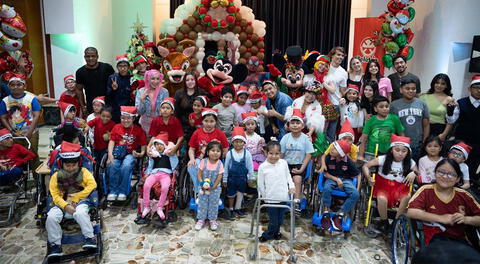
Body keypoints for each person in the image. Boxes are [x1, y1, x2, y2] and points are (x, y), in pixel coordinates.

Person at [407, 158, 480, 245]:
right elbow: (412, 211)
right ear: (435, 173)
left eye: (451, 174)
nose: (445, 176)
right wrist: (442, 218)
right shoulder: (426, 190)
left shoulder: (464, 195)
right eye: (441, 172)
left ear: (458, 179)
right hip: (433, 239)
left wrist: (466, 219)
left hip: (459, 240)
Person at [46, 141, 98, 257]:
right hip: (62, 202)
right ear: (61, 164)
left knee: (80, 213)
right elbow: (54, 195)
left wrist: (76, 197)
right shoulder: (56, 176)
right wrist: (65, 205)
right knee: (51, 217)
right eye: (67, 166)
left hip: (81, 200)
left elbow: (92, 185)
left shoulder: (84, 172)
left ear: (78, 163)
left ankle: (90, 238)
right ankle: (55, 245)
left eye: (74, 165)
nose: (71, 168)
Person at [362, 134, 418, 232]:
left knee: (407, 197)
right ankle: (384, 222)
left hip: (400, 187)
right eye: (397, 150)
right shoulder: (383, 159)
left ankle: (396, 222)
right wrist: (368, 177)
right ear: (392, 150)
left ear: (408, 152)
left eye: (404, 151)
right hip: (383, 185)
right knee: (381, 198)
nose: (400, 153)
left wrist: (414, 173)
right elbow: (365, 166)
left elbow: (418, 173)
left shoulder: (410, 162)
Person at [0, 73, 41, 169]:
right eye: (12, 85)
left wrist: (29, 132)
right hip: (14, 135)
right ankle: (21, 176)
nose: (15, 87)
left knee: (32, 153)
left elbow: (36, 115)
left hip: (31, 132)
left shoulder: (31, 99)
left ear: (24, 86)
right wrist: (12, 132)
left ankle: (37, 176)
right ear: (9, 86)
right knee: (16, 155)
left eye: (19, 84)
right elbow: (3, 117)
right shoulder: (5, 101)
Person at [257, 140, 295, 242]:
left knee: (280, 219)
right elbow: (260, 184)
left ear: (280, 153)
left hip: (283, 196)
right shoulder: (263, 167)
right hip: (271, 198)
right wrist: (265, 197)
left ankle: (276, 232)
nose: (274, 156)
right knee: (273, 220)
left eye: (277, 153)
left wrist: (291, 186)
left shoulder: (283, 163)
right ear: (266, 153)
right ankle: (267, 234)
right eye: (271, 153)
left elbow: (288, 176)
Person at [106, 106, 146, 201]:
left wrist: (140, 154)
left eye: (128, 118)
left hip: (131, 154)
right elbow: (111, 141)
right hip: (117, 153)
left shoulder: (138, 130)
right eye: (123, 118)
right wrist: (110, 154)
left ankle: (123, 191)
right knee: (113, 165)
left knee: (126, 165)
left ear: (133, 118)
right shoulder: (116, 127)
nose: (125, 120)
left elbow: (143, 146)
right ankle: (113, 191)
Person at [446, 75, 480, 184]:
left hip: (478, 142)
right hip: (462, 140)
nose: (479, 90)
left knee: (473, 165)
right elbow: (451, 121)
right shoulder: (461, 103)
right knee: (457, 165)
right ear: (469, 89)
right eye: (476, 87)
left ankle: (469, 187)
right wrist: (450, 111)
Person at [320, 140, 360, 231]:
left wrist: (357, 188)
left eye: (335, 148)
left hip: (346, 179)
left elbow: (358, 174)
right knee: (326, 188)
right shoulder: (329, 157)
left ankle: (339, 214)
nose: (332, 149)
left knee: (356, 194)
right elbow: (325, 174)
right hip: (331, 178)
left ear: (341, 153)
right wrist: (337, 180)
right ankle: (326, 213)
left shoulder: (348, 161)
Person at [138, 133, 178, 221]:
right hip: (154, 173)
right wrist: (147, 174)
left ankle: (160, 207)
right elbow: (150, 165)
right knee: (146, 186)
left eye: (160, 144)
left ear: (164, 145)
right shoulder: (153, 155)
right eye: (156, 145)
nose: (158, 147)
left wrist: (171, 153)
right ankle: (146, 206)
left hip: (166, 174)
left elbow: (175, 163)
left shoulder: (169, 154)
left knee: (165, 188)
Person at [187, 108, 229, 193]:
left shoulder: (220, 134)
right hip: (201, 158)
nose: (208, 124)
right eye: (206, 121)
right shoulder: (197, 133)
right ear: (202, 121)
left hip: (215, 159)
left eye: (211, 121)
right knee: (192, 166)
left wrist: (216, 157)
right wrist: (192, 159)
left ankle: (213, 189)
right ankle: (198, 188)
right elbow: (191, 149)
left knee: (214, 167)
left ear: (215, 122)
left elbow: (225, 150)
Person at [390, 79, 430, 161]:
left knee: (413, 169)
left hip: (417, 144)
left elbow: (426, 125)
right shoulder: (394, 105)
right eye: (407, 88)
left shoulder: (422, 104)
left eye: (413, 88)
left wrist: (424, 141)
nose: (411, 91)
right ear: (401, 90)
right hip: (399, 144)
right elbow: (391, 126)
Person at [280, 109, 314, 204]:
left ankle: (296, 200)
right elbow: (281, 154)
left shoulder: (306, 138)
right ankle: (281, 198)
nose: (295, 125)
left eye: (298, 123)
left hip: (299, 164)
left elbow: (308, 155)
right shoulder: (285, 138)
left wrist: (301, 169)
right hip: (285, 164)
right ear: (288, 126)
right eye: (292, 123)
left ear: (302, 126)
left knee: (297, 179)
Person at [358, 96, 404, 161]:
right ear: (375, 109)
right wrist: (360, 155)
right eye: (381, 107)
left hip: (389, 153)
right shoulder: (370, 120)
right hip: (372, 154)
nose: (385, 109)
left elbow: (401, 135)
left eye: (387, 106)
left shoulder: (394, 118)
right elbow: (363, 139)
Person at [223, 127, 254, 218]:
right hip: (231, 178)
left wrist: (250, 177)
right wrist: (225, 179)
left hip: (242, 178)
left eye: (240, 141)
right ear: (232, 142)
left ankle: (238, 208)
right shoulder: (229, 153)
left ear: (244, 142)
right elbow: (226, 167)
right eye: (236, 141)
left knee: (240, 193)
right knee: (231, 194)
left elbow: (250, 166)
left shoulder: (247, 154)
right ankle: (231, 208)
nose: (238, 143)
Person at [195, 141, 224, 231]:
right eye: (213, 150)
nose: (215, 153)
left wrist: (214, 186)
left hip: (215, 189)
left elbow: (220, 176)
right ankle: (201, 219)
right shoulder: (203, 161)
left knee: (213, 204)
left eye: (218, 151)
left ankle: (212, 220)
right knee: (202, 203)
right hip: (203, 188)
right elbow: (199, 174)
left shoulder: (220, 163)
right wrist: (201, 183)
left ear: (221, 153)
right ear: (207, 152)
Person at [75, 47, 115, 114]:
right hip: (92, 105)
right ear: (84, 57)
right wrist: (83, 106)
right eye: (88, 56)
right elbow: (79, 89)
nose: (91, 58)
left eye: (93, 56)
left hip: (108, 103)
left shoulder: (107, 68)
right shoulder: (80, 72)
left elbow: (115, 82)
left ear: (97, 56)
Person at [420, 74, 455, 140]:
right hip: (422, 128)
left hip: (438, 130)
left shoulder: (449, 99)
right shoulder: (423, 96)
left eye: (443, 84)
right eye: (437, 83)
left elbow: (450, 120)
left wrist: (444, 134)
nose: (439, 85)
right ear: (433, 83)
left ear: (446, 86)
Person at [324, 46, 348, 142]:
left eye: (342, 55)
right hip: (321, 103)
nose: (341, 57)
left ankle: (328, 155)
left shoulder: (343, 72)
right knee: (320, 130)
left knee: (331, 132)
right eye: (338, 54)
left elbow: (342, 90)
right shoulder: (324, 66)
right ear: (332, 55)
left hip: (335, 104)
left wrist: (346, 98)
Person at [135, 69, 169, 134]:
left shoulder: (164, 92)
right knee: (146, 143)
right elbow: (139, 112)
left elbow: (166, 110)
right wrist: (142, 99)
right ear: (148, 79)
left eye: (158, 79)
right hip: (145, 124)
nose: (155, 81)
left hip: (159, 123)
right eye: (152, 79)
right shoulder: (141, 91)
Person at [107, 54, 133, 123]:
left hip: (129, 109)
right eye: (120, 66)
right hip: (115, 110)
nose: (122, 68)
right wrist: (113, 89)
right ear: (117, 67)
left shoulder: (132, 78)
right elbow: (108, 96)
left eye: (125, 66)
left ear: (128, 67)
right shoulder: (112, 78)